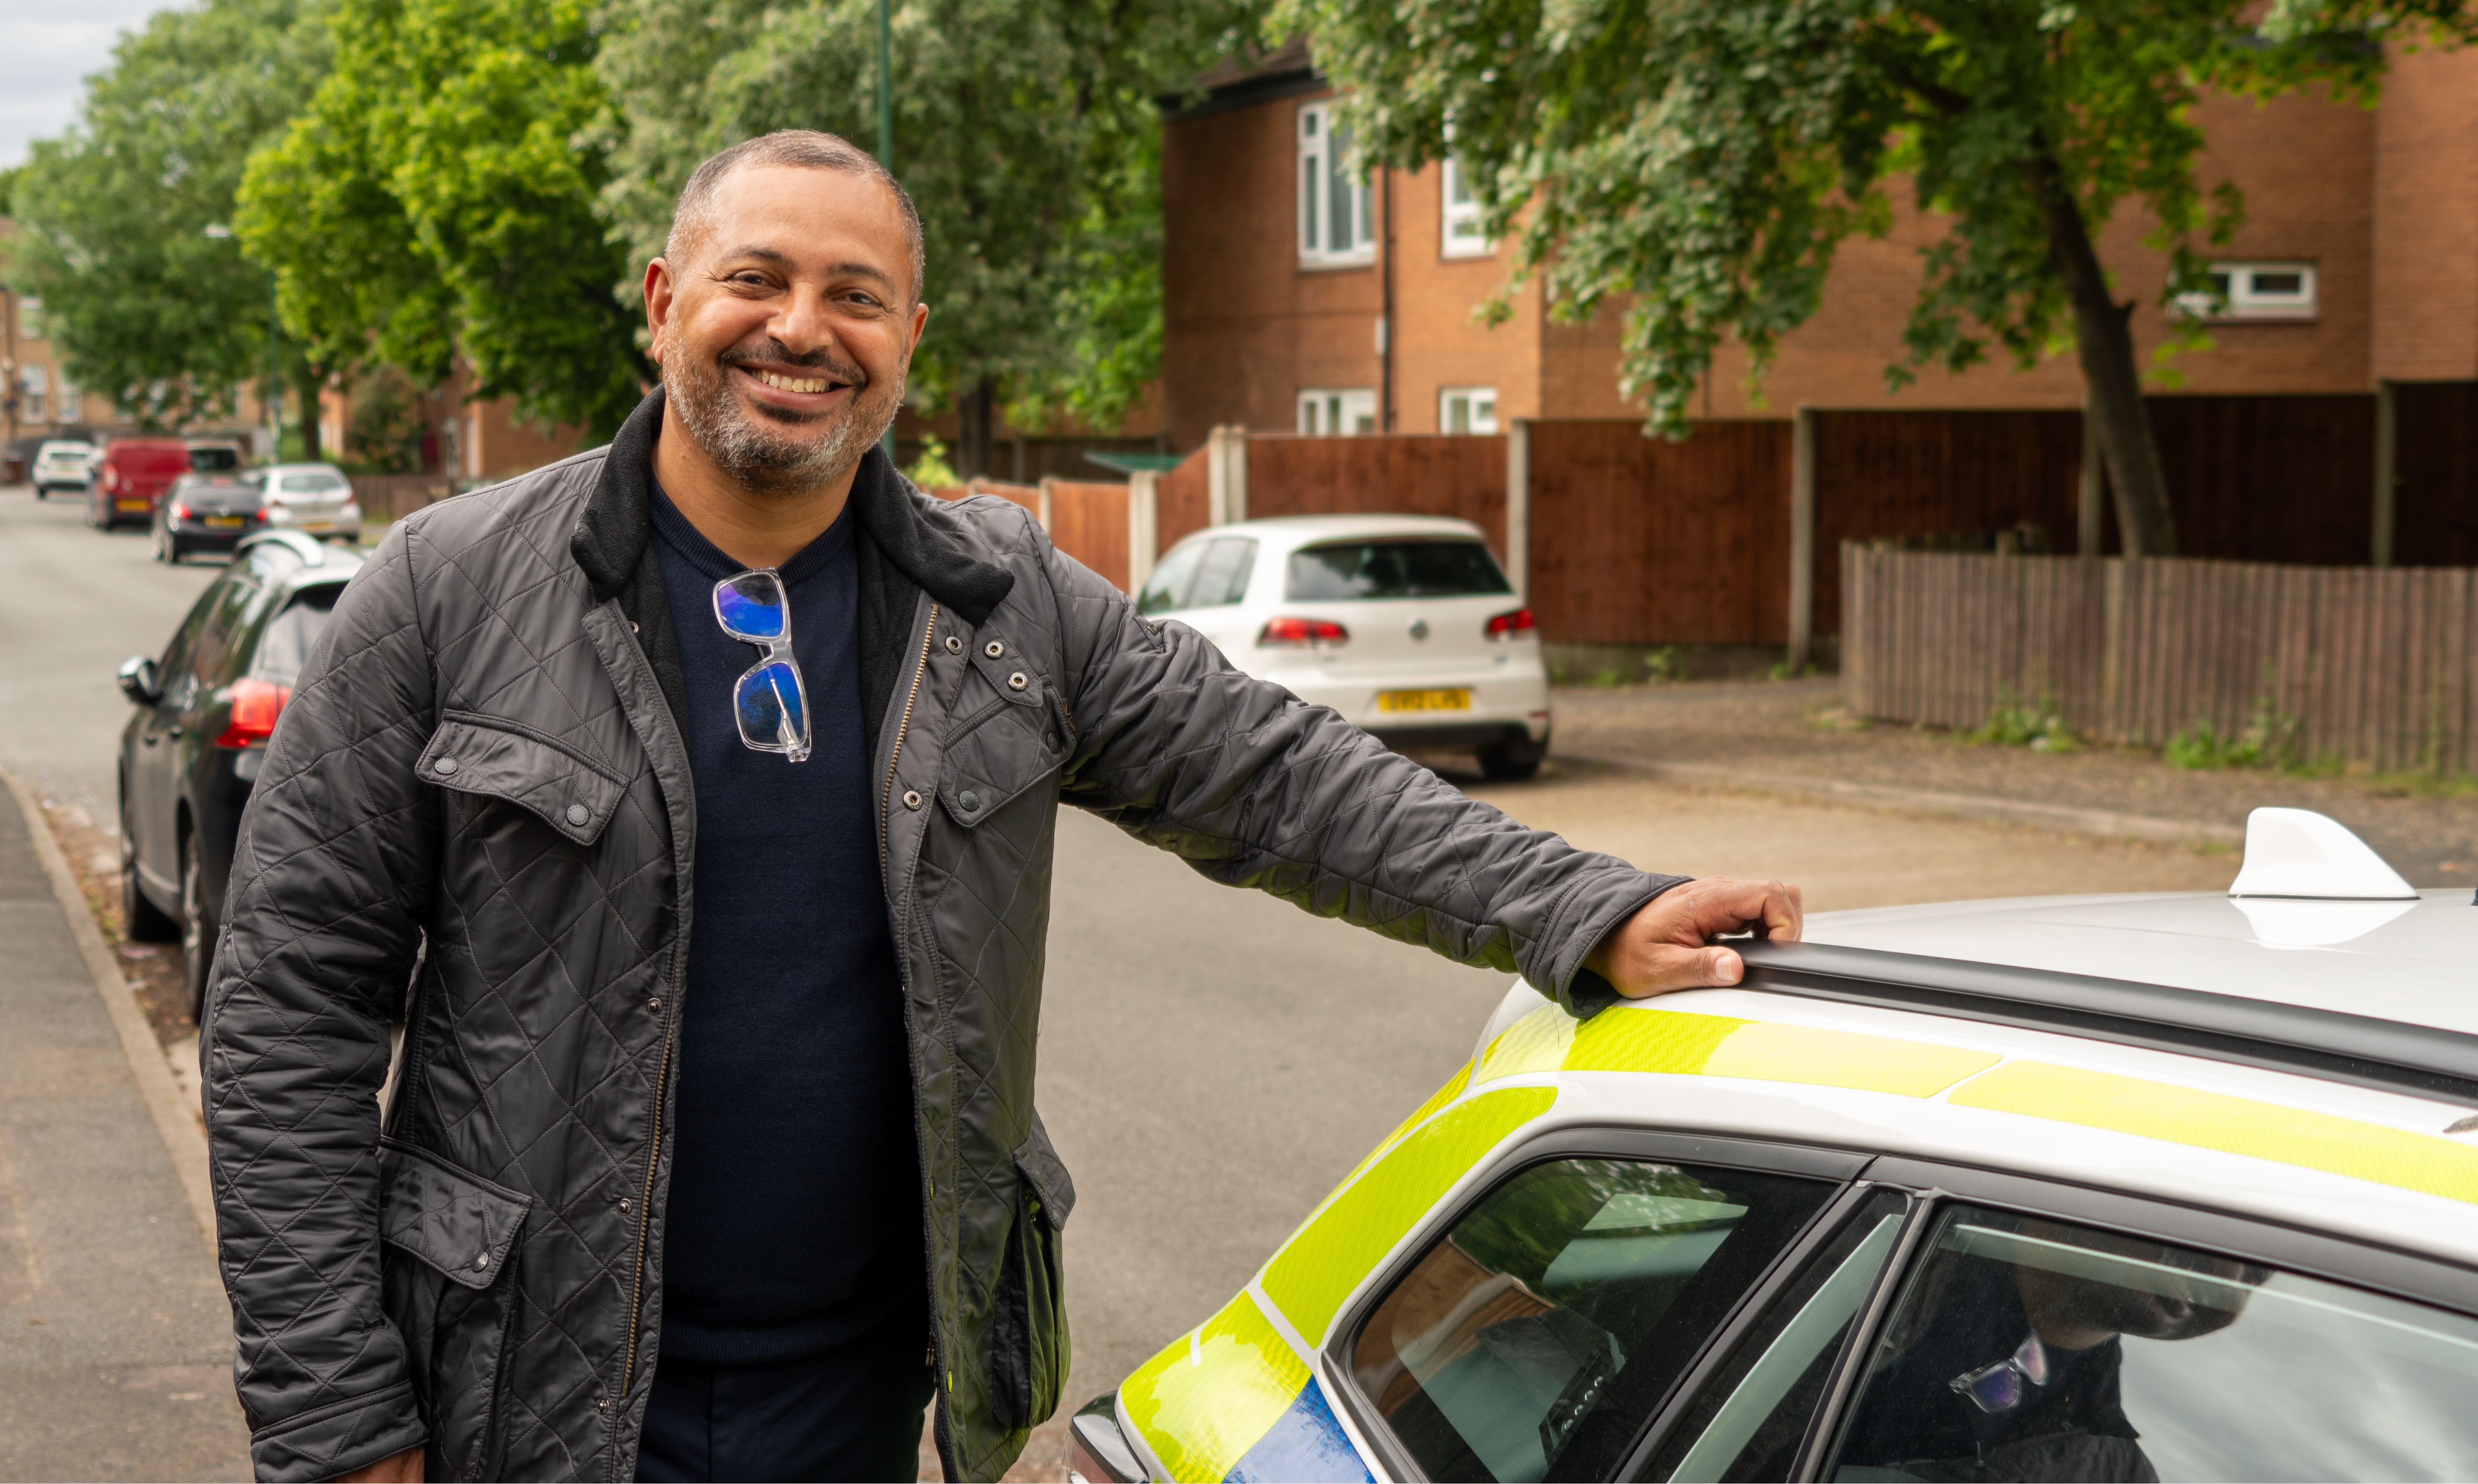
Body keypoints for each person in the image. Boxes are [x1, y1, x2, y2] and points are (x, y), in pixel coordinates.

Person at [202, 128, 1802, 1484]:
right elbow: (289, 1008)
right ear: (664, 302)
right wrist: (336, 1406)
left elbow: (1278, 775)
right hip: (513, 1398)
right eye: (755, 278)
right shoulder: (450, 589)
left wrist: (1578, 902)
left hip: (856, 1396)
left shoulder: (1001, 605)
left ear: (908, 335)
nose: (798, 328)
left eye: (854, 295)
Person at [1834, 1218, 2259, 1482]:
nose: (2230, 1273)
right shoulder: (1865, 1233)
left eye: (2257, 1272)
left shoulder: (2117, 1480)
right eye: (2223, 1221)